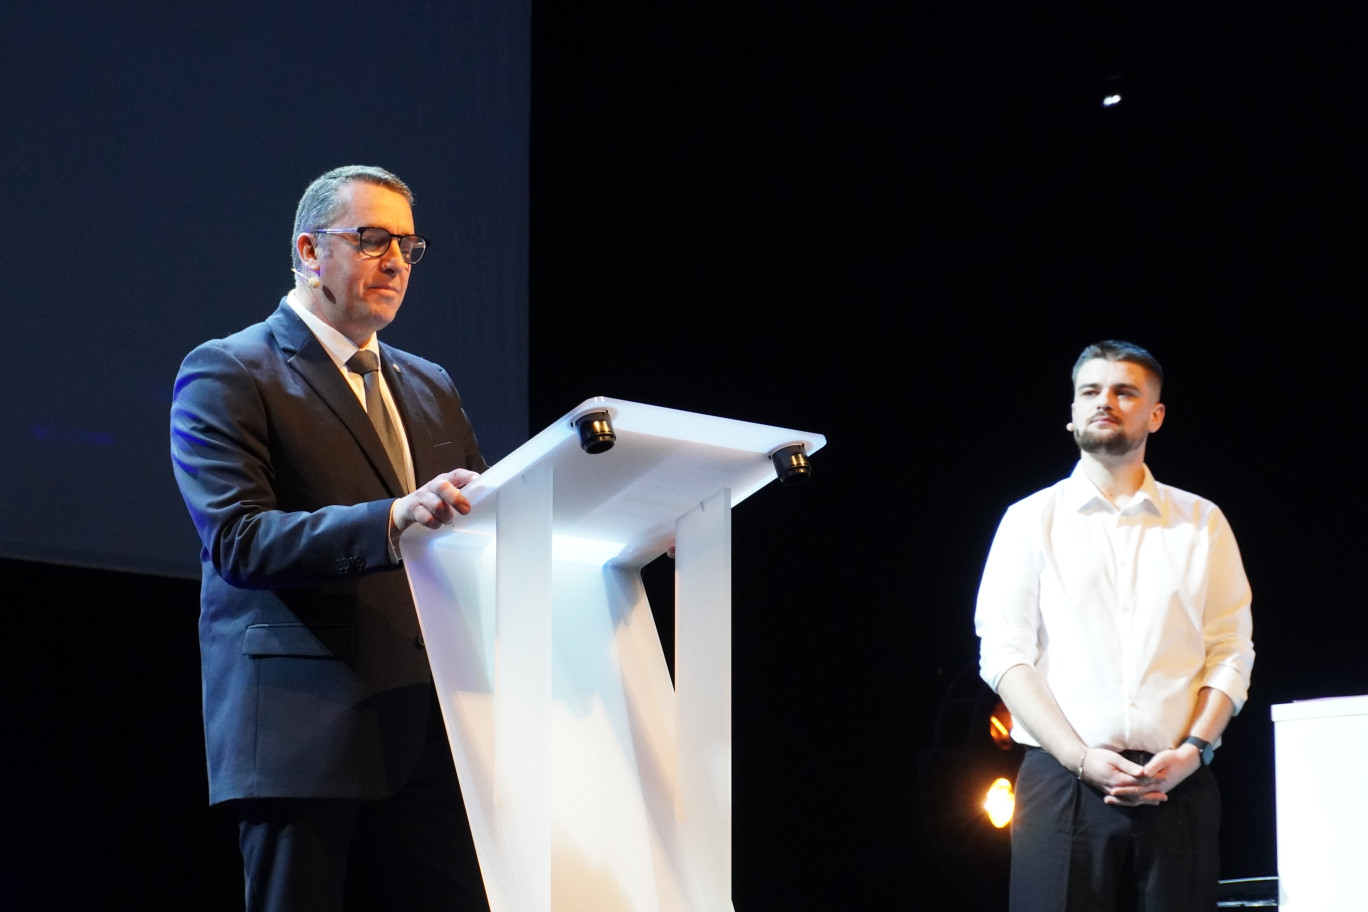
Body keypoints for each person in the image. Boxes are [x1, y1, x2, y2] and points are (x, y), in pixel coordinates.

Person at [171, 165, 491, 912]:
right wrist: (392, 519)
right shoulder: (229, 369)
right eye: (373, 239)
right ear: (310, 252)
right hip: (302, 729)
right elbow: (240, 540)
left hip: (427, 731)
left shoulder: (430, 383)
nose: (395, 263)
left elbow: (492, 515)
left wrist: (616, 528)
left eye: (408, 247)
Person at [974, 340, 1255, 911]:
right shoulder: (1030, 521)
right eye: (1090, 391)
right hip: (1063, 783)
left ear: (1155, 414)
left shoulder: (1202, 522)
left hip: (1178, 781)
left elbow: (1231, 649)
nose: (1105, 402)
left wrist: (1194, 750)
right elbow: (1005, 655)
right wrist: (1079, 756)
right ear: (1072, 414)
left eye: (1125, 391)